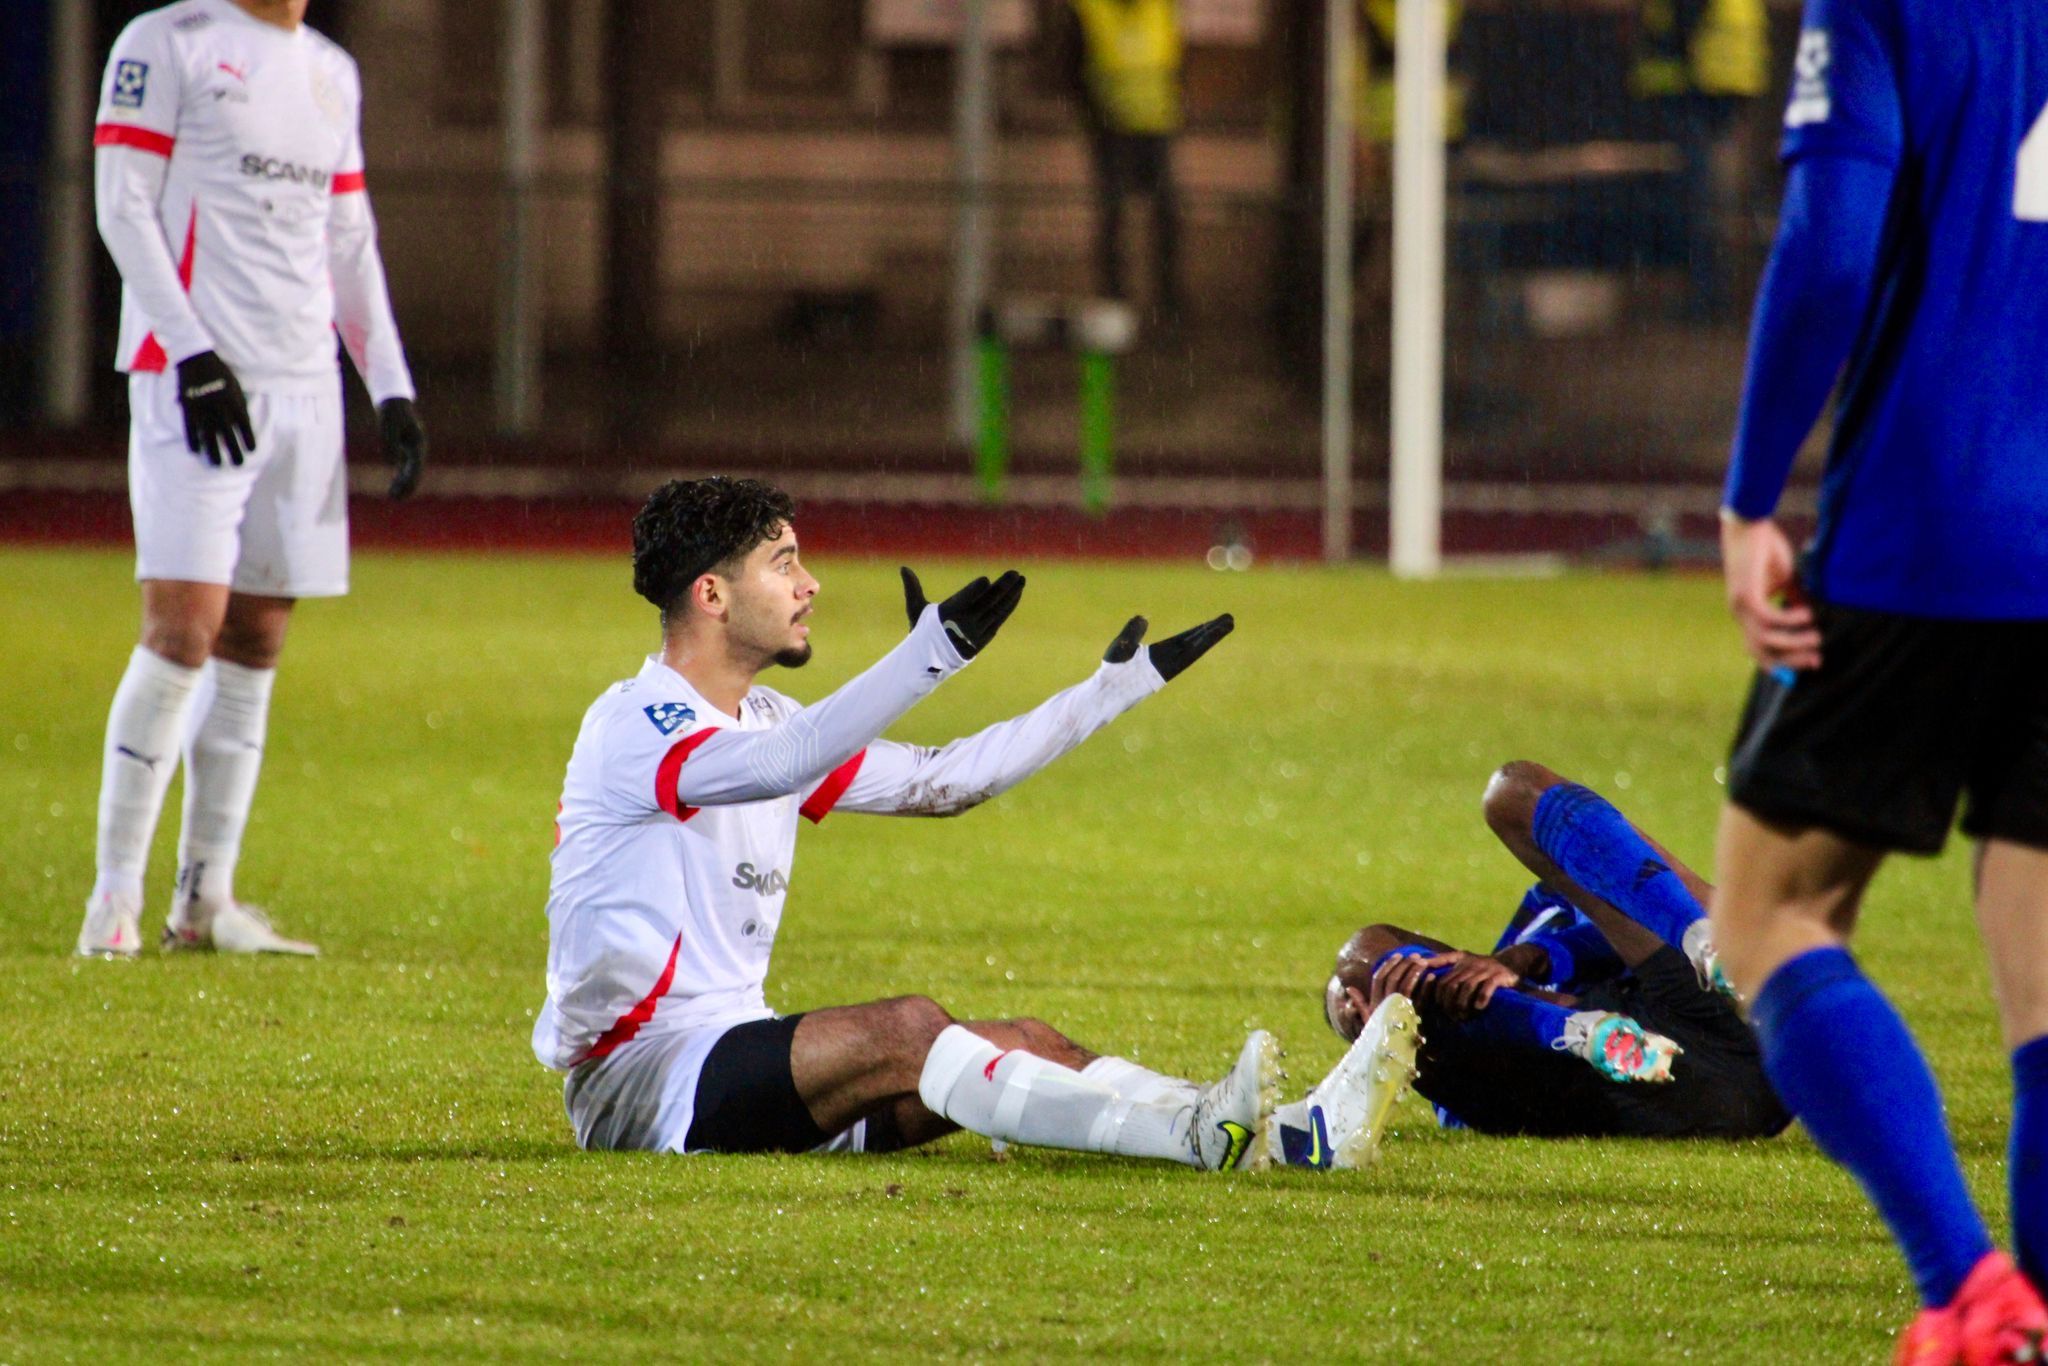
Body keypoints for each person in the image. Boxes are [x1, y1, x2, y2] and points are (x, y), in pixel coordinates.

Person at [533, 476, 1323, 1170]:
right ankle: (1187, 1135)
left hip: (740, 1059)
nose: (810, 585)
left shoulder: (765, 716)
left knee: (1025, 1040)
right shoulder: (638, 723)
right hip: (642, 1079)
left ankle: (1276, 1135)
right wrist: (928, 656)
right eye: (784, 564)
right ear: (712, 595)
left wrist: (1106, 694)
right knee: (908, 1028)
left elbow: (941, 782)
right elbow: (781, 766)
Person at [1709, 0, 2048, 1356]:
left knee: (1771, 910)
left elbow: (1831, 242)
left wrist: (1748, 500)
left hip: (1933, 526)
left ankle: (1967, 1284)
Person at [79, 0, 425, 959]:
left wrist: (387, 386)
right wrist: (190, 353)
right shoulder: (166, 40)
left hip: (303, 388)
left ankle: (204, 902)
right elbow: (122, 204)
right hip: (193, 379)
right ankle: (111, 902)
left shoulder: (329, 69)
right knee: (181, 626)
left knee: (259, 630)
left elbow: (347, 240)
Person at [1282, 761, 1786, 1164]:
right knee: (1364, 969)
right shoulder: (1456, 997)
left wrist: (1524, 959)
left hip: (1722, 1018)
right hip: (1636, 1086)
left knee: (1512, 790)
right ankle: (1579, 1027)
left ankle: (1701, 944)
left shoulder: (1578, 890)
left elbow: (1605, 932)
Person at [1628, 0, 1770, 318]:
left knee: (1701, 197)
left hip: (1699, 80)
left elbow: (1683, 19)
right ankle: (1738, 290)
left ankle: (1711, 294)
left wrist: (1669, 49)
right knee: (1729, 192)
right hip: (1729, 75)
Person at [1067, 0, 1184, 316]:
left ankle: (1167, 299)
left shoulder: (1159, 7)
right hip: (1112, 131)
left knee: (1165, 217)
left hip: (1156, 126)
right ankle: (1116, 298)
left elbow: (1175, 63)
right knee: (1114, 216)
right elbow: (1073, 69)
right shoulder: (1090, 9)